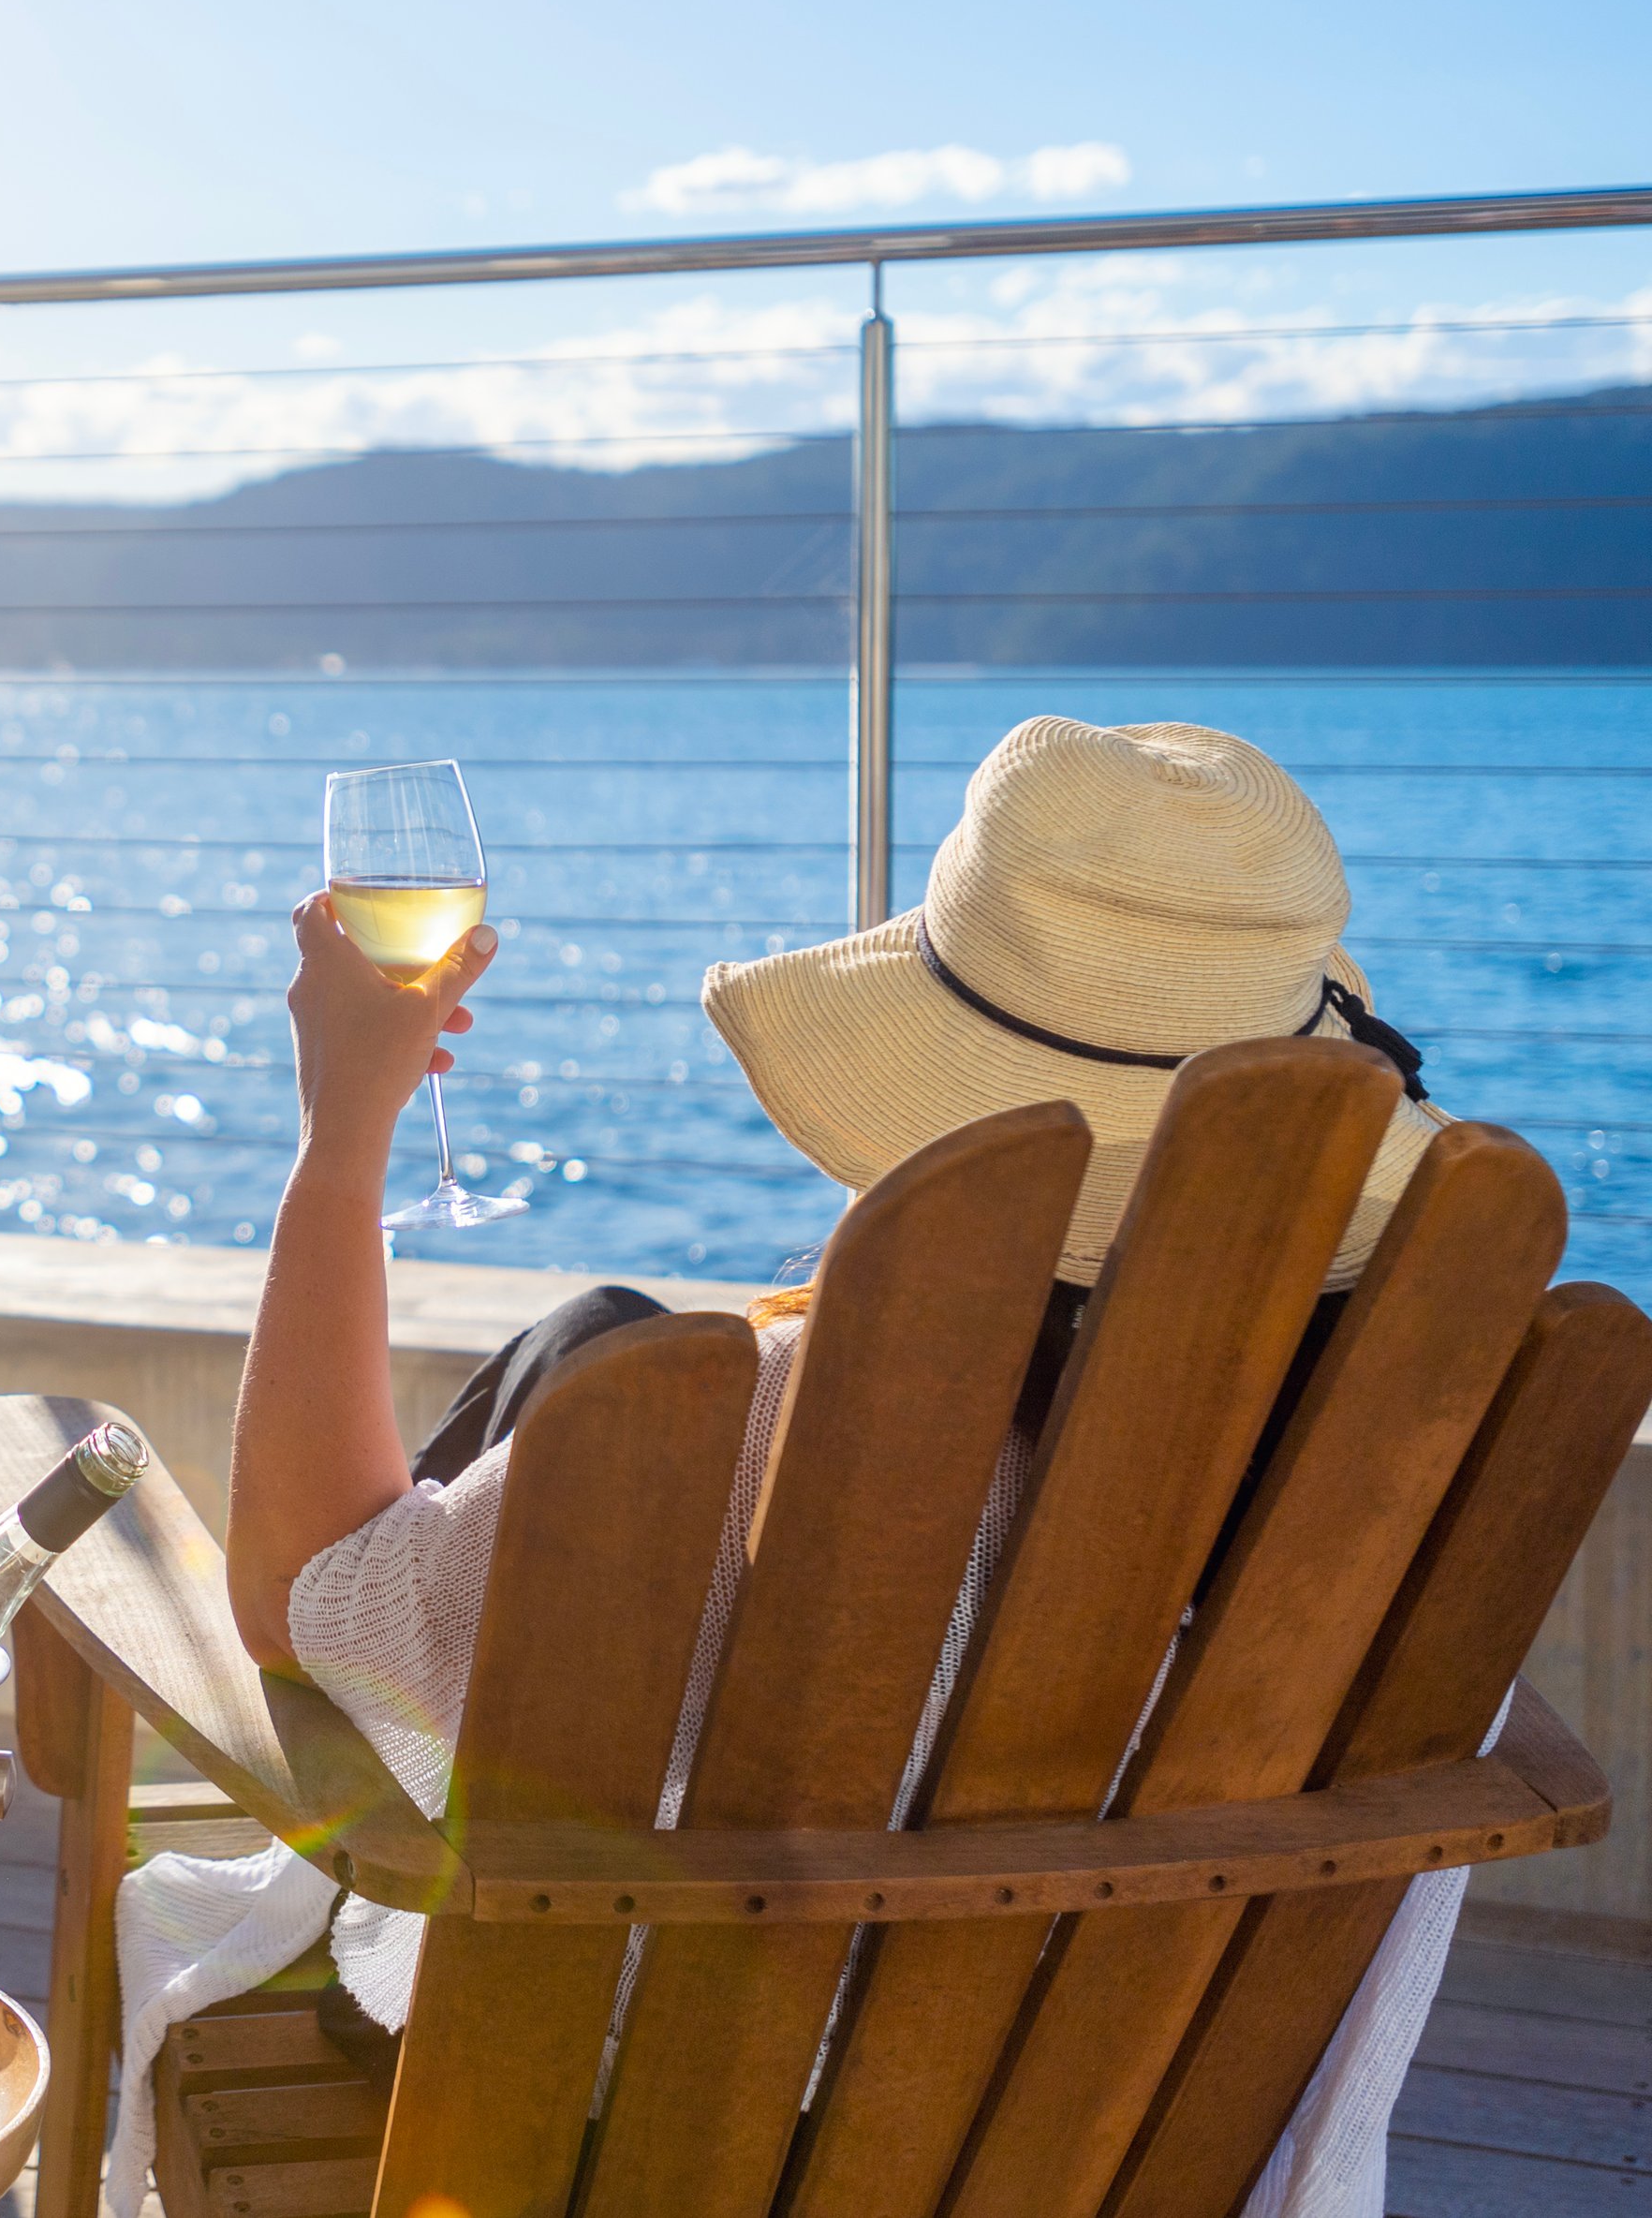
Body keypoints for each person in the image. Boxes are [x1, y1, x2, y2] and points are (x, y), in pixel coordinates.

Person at [125, 717, 1453, 2218]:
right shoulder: (1391, 1460)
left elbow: (308, 1596)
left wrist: (342, 1137)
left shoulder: (790, 1440)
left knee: (602, 1385)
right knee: (600, 1340)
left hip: (664, 2131)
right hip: (1117, 2140)